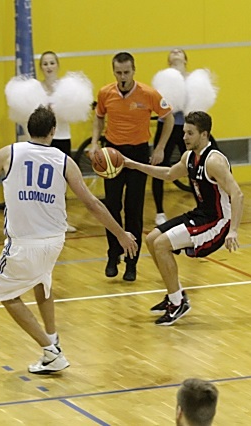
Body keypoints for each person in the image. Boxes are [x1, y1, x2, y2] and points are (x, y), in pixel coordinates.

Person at [0, 106, 137, 374]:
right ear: (52, 132)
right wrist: (120, 233)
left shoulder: (9, 152)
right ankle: (53, 337)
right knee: (41, 283)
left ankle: (50, 351)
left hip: (24, 243)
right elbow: (93, 204)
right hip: (55, 239)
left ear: (28, 129)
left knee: (2, 291)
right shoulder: (64, 161)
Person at [123, 111, 243, 325]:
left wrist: (233, 230)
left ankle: (178, 303)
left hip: (217, 222)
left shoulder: (214, 161)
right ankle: (174, 295)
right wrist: (134, 165)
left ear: (204, 135)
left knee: (161, 246)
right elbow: (169, 174)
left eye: (190, 133)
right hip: (200, 214)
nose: (184, 137)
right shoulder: (189, 157)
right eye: (184, 132)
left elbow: (237, 193)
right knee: (151, 240)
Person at [90, 51, 175, 282]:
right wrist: (95, 141)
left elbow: (168, 117)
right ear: (113, 72)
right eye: (118, 72)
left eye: (126, 72)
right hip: (113, 154)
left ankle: (131, 261)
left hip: (137, 154)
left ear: (134, 70)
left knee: (134, 210)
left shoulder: (148, 94)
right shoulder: (106, 92)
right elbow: (98, 116)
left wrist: (160, 148)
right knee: (112, 206)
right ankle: (113, 253)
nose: (123, 76)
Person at [39, 51, 78, 232]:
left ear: (57, 65)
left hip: (62, 137)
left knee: (61, 181)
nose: (49, 67)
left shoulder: (66, 88)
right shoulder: (35, 89)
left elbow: (73, 111)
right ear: (41, 67)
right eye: (45, 63)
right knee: (43, 182)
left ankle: (61, 220)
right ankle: (43, 220)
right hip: (43, 141)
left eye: (51, 63)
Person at [151, 49, 189, 226]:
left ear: (185, 59)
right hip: (167, 126)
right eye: (172, 52)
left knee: (195, 165)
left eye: (179, 51)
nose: (175, 52)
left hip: (187, 128)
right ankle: (159, 212)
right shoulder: (164, 79)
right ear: (168, 61)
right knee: (159, 167)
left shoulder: (193, 81)